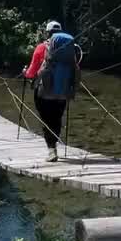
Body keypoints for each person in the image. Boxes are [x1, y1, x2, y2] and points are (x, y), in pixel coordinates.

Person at [23, 19, 81, 162]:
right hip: (63, 91)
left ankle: (51, 151)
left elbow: (31, 73)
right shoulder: (70, 47)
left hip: (44, 91)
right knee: (56, 119)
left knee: (46, 120)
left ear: (47, 33)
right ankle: (54, 144)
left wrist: (25, 73)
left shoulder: (42, 48)